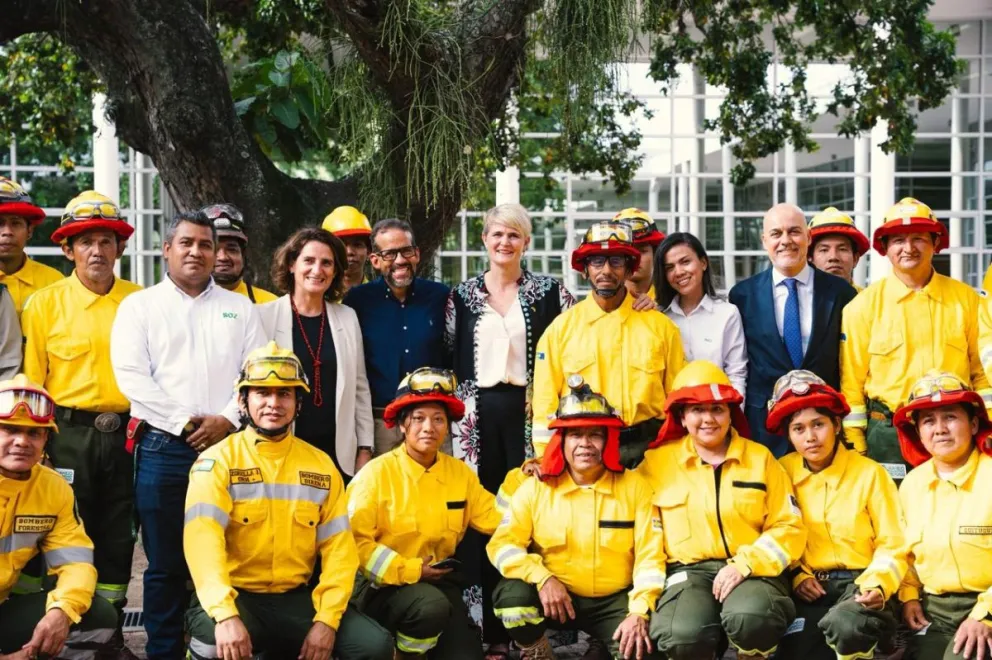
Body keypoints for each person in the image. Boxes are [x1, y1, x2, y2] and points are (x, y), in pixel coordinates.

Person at [110, 211, 266, 660]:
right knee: (163, 563)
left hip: (228, 445)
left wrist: (226, 420)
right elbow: (133, 378)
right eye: (186, 243)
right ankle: (162, 651)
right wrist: (184, 423)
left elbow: (255, 375)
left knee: (226, 551)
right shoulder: (140, 307)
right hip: (163, 447)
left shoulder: (240, 308)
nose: (196, 251)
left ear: (217, 253)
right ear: (167, 249)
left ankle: (212, 646)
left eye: (205, 244)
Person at [183, 342, 392, 660]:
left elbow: (340, 553)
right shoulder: (217, 462)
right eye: (262, 393)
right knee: (215, 642)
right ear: (243, 401)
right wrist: (225, 615)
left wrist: (326, 621)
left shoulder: (321, 466)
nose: (273, 403)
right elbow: (202, 545)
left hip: (295, 599)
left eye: (284, 394)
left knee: (373, 646)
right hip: (235, 597)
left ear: (298, 404)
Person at [445, 203, 576, 657]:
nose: (505, 243)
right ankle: (487, 631)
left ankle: (528, 626)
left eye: (514, 236)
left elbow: (576, 340)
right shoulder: (461, 296)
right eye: (498, 234)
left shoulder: (549, 292)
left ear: (526, 242)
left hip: (530, 414)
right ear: (485, 239)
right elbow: (450, 351)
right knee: (481, 516)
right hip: (473, 421)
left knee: (526, 511)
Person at [20, 191, 142, 652]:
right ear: (68, 250)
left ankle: (108, 637)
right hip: (66, 437)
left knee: (117, 534)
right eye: (85, 241)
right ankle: (54, 635)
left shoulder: (140, 302)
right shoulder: (44, 304)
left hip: (128, 434)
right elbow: (32, 382)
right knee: (62, 533)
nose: (97, 250)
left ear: (119, 248)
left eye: (106, 241)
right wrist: (38, 444)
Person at [635, 360, 806, 660]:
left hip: (754, 570)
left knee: (754, 617)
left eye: (717, 409)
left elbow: (788, 526)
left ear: (731, 414)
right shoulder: (655, 464)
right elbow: (647, 539)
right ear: (682, 417)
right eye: (697, 410)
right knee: (682, 635)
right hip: (687, 572)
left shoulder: (760, 458)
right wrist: (641, 604)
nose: (708, 419)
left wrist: (745, 564)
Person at [487, 376, 665, 660]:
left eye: (595, 434)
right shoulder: (536, 488)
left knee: (644, 653)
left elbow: (650, 557)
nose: (585, 444)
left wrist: (639, 611)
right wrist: (542, 578)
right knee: (513, 602)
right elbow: (501, 546)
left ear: (608, 440)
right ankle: (536, 650)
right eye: (575, 435)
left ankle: (604, 649)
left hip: (614, 601)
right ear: (561, 441)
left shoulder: (635, 488)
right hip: (555, 597)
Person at [346, 367, 501, 659]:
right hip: (380, 588)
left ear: (447, 426)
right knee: (430, 607)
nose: (429, 427)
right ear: (402, 425)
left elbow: (496, 519)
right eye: (418, 418)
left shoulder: (459, 473)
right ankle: (404, 654)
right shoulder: (375, 476)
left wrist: (530, 488)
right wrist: (412, 570)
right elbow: (355, 544)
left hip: (438, 585)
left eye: (438, 419)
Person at [841, 197, 991, 481]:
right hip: (887, 435)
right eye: (898, 240)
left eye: (919, 238)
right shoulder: (861, 307)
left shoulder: (967, 300)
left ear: (935, 243)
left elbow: (981, 375)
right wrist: (856, 443)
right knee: (893, 517)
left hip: (952, 429)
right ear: (885, 248)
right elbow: (852, 383)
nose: (908, 248)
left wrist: (988, 427)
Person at [768, 370, 906, 660]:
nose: (810, 437)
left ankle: (882, 636)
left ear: (836, 425)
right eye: (799, 429)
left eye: (818, 424)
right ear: (789, 435)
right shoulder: (780, 471)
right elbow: (776, 531)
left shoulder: (870, 473)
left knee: (846, 626)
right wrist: (796, 575)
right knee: (796, 651)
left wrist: (877, 585)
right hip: (811, 589)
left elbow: (893, 542)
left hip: (862, 584)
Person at [532, 220, 685, 469]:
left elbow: (677, 401)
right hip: (586, 453)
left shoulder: (661, 327)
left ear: (628, 270)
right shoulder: (560, 331)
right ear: (584, 270)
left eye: (616, 262)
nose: (606, 271)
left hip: (652, 452)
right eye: (596, 262)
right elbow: (544, 405)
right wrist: (544, 458)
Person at [0, 375, 117, 660]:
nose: (22, 442)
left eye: (34, 433)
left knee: (97, 616)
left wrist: (62, 610)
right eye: (9, 430)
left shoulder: (53, 487)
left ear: (46, 439)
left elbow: (76, 562)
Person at [729, 203, 857, 457]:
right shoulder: (742, 296)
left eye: (794, 232)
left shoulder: (841, 293)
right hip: (764, 431)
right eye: (776, 234)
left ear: (808, 237)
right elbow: (738, 365)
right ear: (765, 241)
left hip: (823, 429)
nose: (786, 241)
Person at [258, 228, 374, 481]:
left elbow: (359, 387)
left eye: (326, 263)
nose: (317, 270)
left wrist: (365, 448)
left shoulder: (347, 317)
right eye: (308, 260)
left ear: (335, 272)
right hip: (283, 451)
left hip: (339, 454)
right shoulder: (263, 317)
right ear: (291, 264)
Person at [892, 371, 992, 659]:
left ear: (973, 424)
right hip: (934, 611)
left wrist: (985, 616)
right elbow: (904, 551)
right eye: (928, 421)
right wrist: (909, 596)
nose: (939, 429)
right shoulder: (912, 483)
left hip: (984, 605)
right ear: (918, 432)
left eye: (950, 417)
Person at [343, 218, 450, 456]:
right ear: (375, 260)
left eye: (406, 251)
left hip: (430, 423)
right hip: (381, 424)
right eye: (390, 254)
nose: (400, 260)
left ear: (417, 254)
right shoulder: (357, 302)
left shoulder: (441, 297)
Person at [655, 232, 747, 401]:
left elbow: (737, 374)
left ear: (703, 263)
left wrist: (733, 419)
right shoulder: (659, 318)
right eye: (670, 267)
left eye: (685, 262)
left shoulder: (727, 314)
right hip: (673, 419)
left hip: (716, 416)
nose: (679, 272)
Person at [0, 176, 64, 315]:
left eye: (16, 223)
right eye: (0, 224)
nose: (7, 232)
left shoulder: (54, 282)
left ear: (29, 231)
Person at [200, 203, 278, 304]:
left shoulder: (270, 304)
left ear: (243, 254)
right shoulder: (182, 304)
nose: (223, 257)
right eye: (214, 249)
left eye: (232, 249)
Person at [807, 207, 870, 291]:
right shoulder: (798, 301)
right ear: (810, 259)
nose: (833, 257)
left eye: (842, 249)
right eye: (824, 250)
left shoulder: (870, 302)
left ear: (855, 259)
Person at [615, 208, 665, 302]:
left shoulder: (673, 302)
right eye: (627, 251)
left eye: (642, 251)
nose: (634, 257)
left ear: (655, 254)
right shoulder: (600, 305)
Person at [321, 205, 372, 294]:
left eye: (357, 245)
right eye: (342, 245)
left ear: (368, 252)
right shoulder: (315, 297)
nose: (349, 252)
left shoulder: (379, 298)